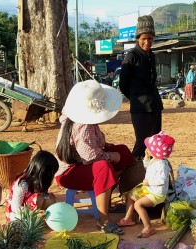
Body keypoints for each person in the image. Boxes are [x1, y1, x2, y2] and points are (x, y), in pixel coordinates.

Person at [55, 80, 136, 235]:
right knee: (103, 167)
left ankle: (108, 196)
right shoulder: (83, 126)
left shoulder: (80, 119)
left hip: (81, 164)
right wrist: (112, 156)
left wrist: (112, 149)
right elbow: (89, 155)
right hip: (69, 173)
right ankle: (103, 219)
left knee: (123, 151)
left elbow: (93, 144)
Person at [119, 15, 164, 160]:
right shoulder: (132, 56)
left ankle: (151, 174)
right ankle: (132, 175)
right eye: (144, 38)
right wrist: (136, 98)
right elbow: (123, 84)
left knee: (155, 142)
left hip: (155, 106)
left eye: (150, 38)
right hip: (140, 108)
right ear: (138, 38)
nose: (147, 42)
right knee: (142, 143)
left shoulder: (152, 56)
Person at [118, 131, 175, 238]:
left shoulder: (162, 165)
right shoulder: (156, 160)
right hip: (150, 189)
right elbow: (147, 166)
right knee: (130, 195)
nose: (147, 149)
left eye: (149, 148)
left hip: (157, 194)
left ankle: (148, 227)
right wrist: (147, 157)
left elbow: (161, 180)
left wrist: (149, 182)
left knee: (138, 204)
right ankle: (128, 218)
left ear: (156, 152)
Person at [5, 150, 59, 222]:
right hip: (16, 214)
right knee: (38, 198)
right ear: (42, 173)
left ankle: (37, 220)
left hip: (31, 210)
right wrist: (33, 213)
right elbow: (15, 207)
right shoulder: (22, 184)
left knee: (50, 199)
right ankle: (31, 221)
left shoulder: (40, 181)